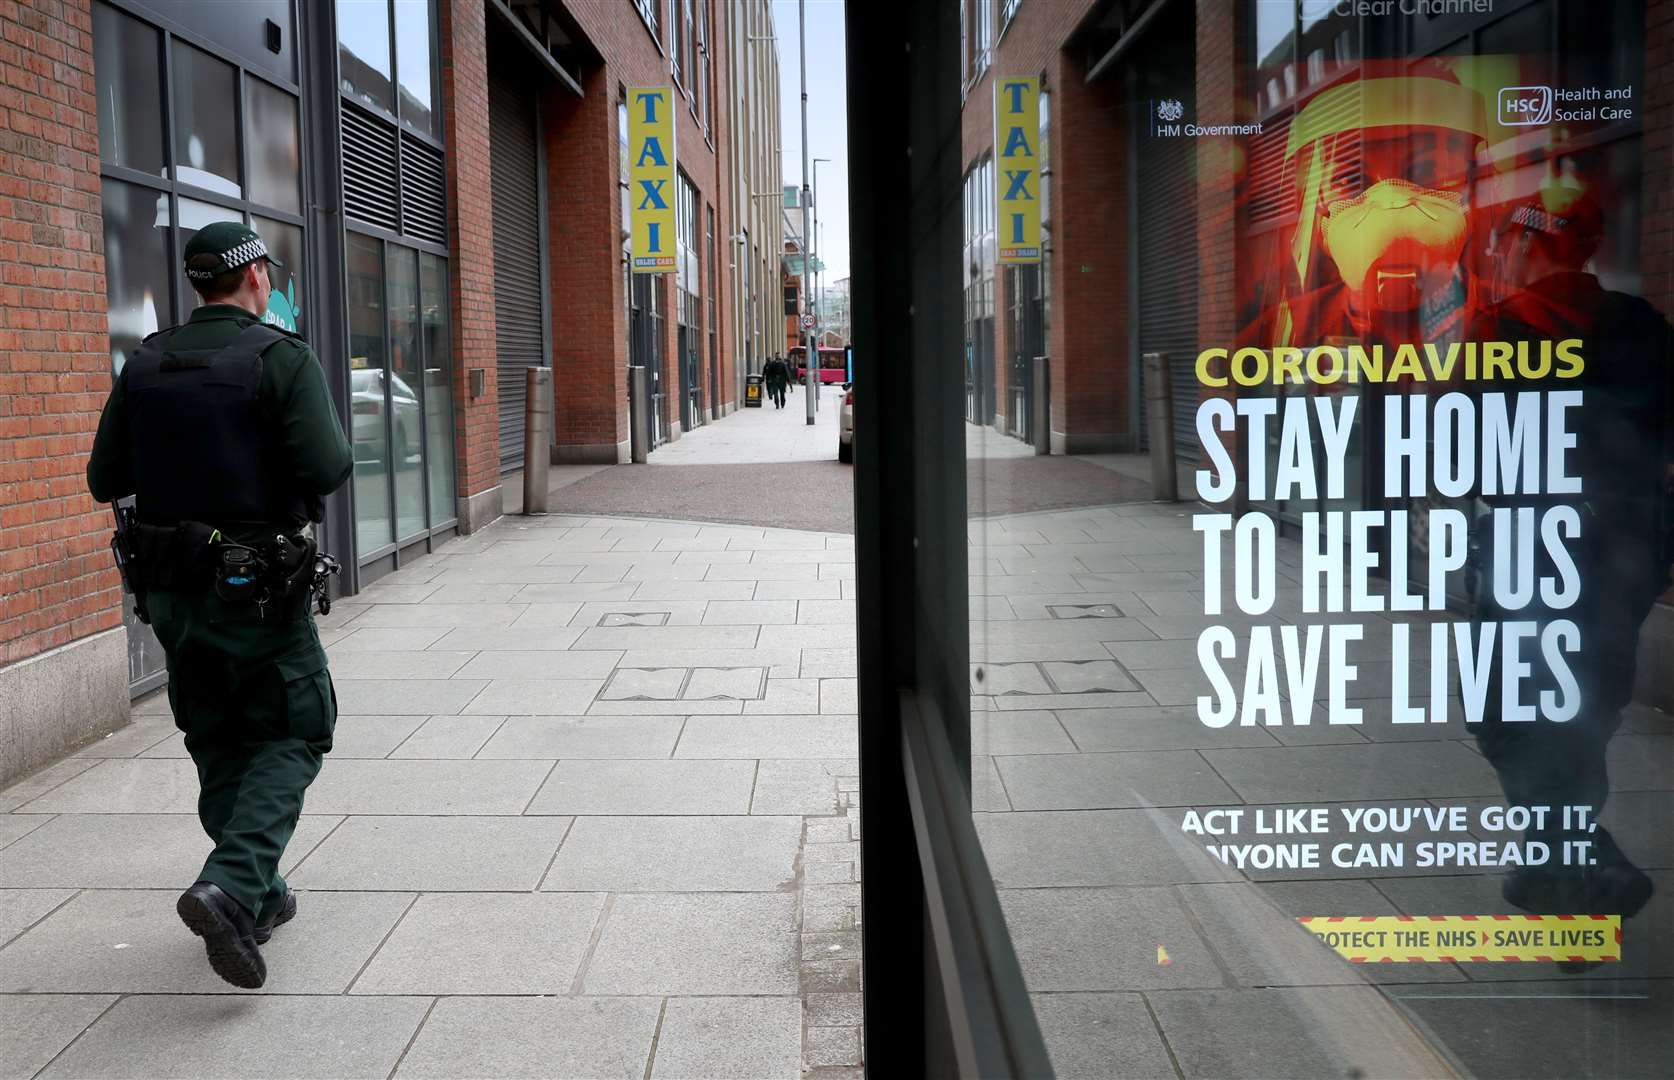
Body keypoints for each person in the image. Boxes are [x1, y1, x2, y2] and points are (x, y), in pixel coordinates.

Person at [86, 222, 354, 989]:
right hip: (258, 591)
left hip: (172, 593)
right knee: (297, 729)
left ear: (200, 284)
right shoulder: (281, 358)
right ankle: (233, 884)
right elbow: (329, 466)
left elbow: (106, 479)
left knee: (217, 735)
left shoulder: (146, 363)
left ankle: (258, 898)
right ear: (257, 279)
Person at [1469, 179, 1674, 961]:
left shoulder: (1501, 328)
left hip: (1537, 547)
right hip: (1624, 556)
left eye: (1505, 241)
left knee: (1503, 711)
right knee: (1580, 720)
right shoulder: (1646, 329)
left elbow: (1470, 454)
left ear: (1523, 244)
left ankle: (1579, 874)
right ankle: (1571, 898)